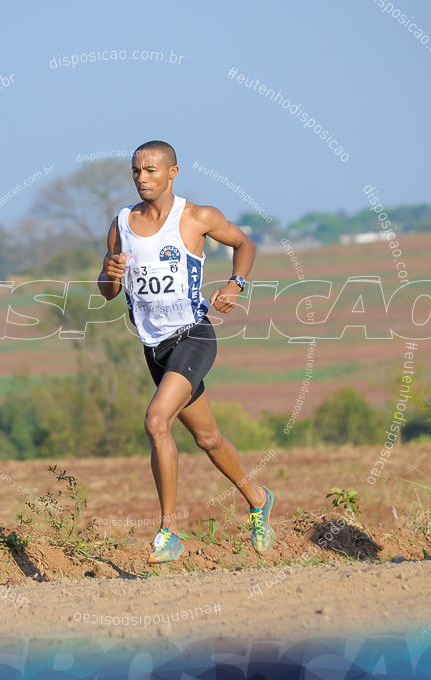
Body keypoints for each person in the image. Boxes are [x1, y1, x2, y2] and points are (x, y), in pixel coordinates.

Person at [96, 140, 275, 564]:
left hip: (193, 335)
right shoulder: (121, 223)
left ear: (172, 173)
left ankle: (169, 531)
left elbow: (245, 244)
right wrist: (108, 272)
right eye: (136, 171)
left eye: (152, 171)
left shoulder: (197, 217)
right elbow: (107, 292)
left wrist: (236, 283)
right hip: (154, 348)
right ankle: (259, 498)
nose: (142, 178)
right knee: (207, 437)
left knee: (157, 422)